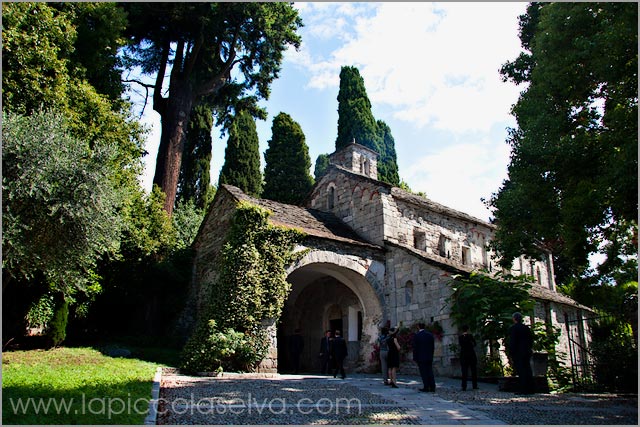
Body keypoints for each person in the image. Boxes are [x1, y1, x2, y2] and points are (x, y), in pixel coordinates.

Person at [509, 312, 534, 394]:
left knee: (521, 370)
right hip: (526, 351)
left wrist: (511, 352)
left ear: (514, 319)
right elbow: (530, 340)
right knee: (527, 369)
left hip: (518, 352)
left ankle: (523, 389)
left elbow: (513, 342)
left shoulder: (514, 328)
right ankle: (530, 388)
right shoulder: (526, 328)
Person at [413, 322, 435, 392]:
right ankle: (432, 386)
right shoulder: (430, 335)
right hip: (429, 356)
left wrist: (415, 357)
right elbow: (432, 347)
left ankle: (426, 386)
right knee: (430, 371)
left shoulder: (417, 336)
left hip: (421, 357)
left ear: (418, 327)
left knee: (423, 372)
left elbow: (415, 348)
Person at [458, 325, 478, 391]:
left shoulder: (460, 337)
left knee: (464, 371)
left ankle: (464, 386)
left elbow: (460, 345)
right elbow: (474, 344)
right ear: (468, 329)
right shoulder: (470, 336)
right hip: (471, 355)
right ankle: (474, 385)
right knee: (473, 371)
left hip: (464, 355)